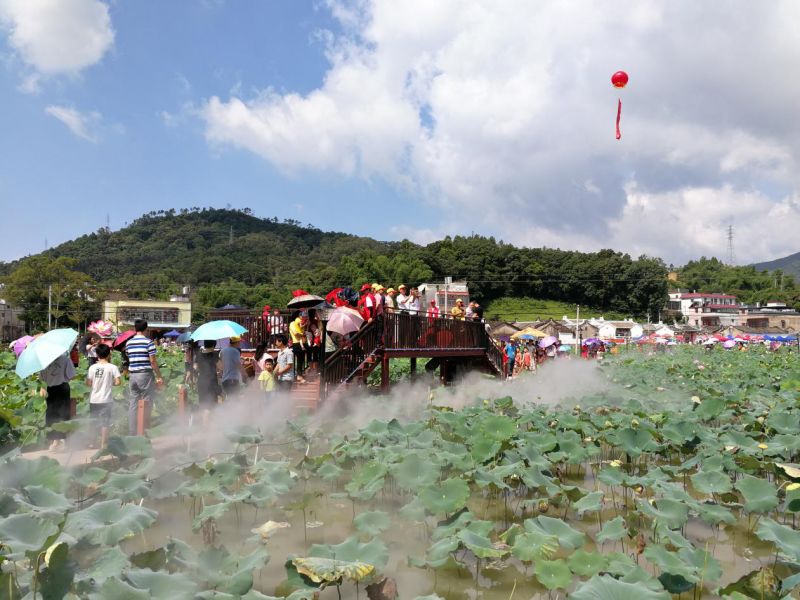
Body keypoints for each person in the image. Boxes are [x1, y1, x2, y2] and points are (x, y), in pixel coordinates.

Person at [126, 319, 163, 435]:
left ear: (135, 329)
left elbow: (129, 357)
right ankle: (144, 430)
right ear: (146, 329)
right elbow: (152, 361)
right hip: (145, 374)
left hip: (133, 375)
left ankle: (132, 431)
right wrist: (159, 376)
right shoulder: (148, 342)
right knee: (147, 402)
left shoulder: (129, 343)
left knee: (133, 403)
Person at [86, 343, 121, 448]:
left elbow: (88, 383)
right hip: (106, 399)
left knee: (94, 421)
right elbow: (118, 382)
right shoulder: (113, 367)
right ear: (109, 354)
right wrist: (110, 383)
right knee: (105, 422)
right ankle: (103, 444)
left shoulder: (92, 367)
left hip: (94, 399)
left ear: (97, 354)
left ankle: (92, 443)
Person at [40, 351, 76, 451]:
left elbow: (42, 378)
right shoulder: (66, 359)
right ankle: (61, 441)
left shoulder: (44, 361)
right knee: (63, 414)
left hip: (51, 389)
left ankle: (54, 442)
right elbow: (72, 376)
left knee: (51, 414)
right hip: (62, 388)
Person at [194, 340, 221, 423]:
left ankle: (204, 425)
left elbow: (195, 368)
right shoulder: (214, 355)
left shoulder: (198, 355)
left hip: (201, 381)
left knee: (203, 404)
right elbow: (221, 367)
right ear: (213, 346)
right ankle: (207, 427)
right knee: (210, 405)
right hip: (211, 382)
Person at [289, 313, 307, 383]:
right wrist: (303, 334)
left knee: (302, 360)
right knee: (299, 360)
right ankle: (299, 376)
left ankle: (300, 374)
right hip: (296, 343)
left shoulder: (300, 323)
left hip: (301, 342)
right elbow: (295, 333)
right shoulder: (292, 324)